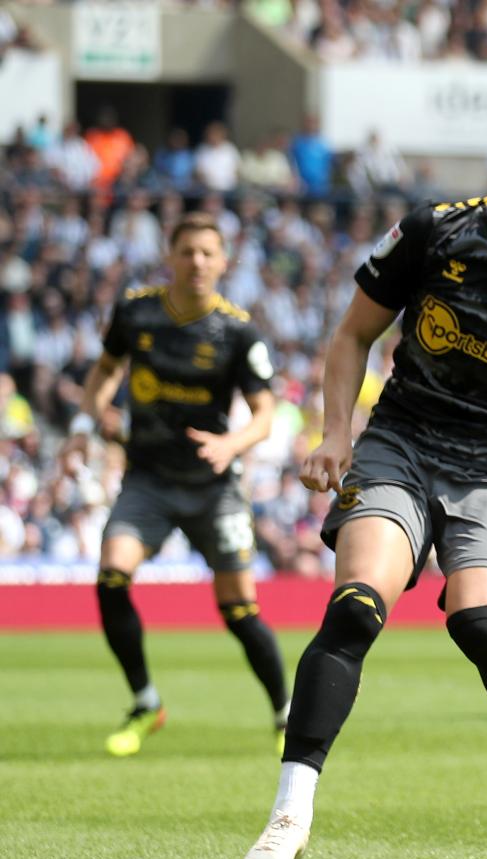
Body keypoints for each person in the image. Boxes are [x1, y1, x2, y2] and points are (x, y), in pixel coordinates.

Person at [241, 99, 487, 859]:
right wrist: (335, 433)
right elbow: (354, 334)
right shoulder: (436, 230)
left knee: (480, 622)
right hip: (403, 444)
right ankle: (289, 812)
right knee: (356, 607)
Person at [60, 212, 289, 758]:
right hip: (150, 478)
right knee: (111, 573)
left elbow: (264, 412)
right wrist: (89, 419)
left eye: (208, 253)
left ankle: (285, 711)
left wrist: (232, 445)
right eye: (187, 252)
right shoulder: (136, 311)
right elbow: (106, 370)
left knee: (238, 608)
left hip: (214, 485)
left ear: (224, 261)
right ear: (171, 255)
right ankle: (146, 703)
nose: (197, 263)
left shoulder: (237, 330)